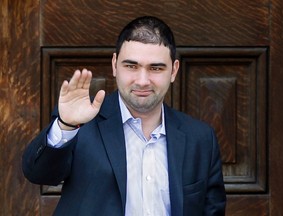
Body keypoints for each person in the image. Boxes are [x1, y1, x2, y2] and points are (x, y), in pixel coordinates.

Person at [22, 16, 226, 215]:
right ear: (114, 65)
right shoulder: (79, 124)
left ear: (173, 70)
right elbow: (38, 174)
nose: (143, 80)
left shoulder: (201, 138)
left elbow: (212, 209)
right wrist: (66, 126)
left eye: (155, 68)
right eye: (131, 66)